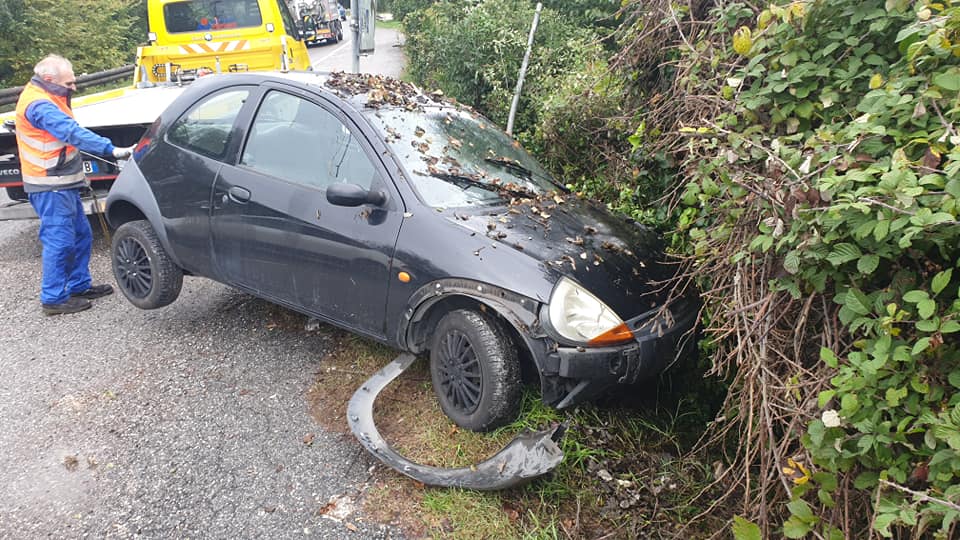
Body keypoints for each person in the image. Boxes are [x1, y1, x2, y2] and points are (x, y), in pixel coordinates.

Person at [14, 54, 133, 316]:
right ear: (49, 80)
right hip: (49, 186)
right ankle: (54, 298)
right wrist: (111, 150)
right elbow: (71, 132)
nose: (73, 88)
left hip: (62, 182)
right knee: (60, 241)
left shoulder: (47, 95)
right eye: (69, 84)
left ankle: (79, 285)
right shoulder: (39, 105)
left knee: (81, 235)